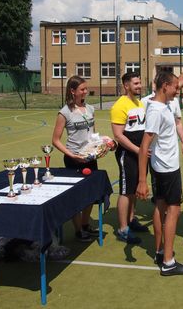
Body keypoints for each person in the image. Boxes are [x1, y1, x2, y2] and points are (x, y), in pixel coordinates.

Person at [137, 48, 183, 276]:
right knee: (173, 211)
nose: (179, 89)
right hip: (166, 168)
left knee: (160, 206)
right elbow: (145, 145)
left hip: (161, 166)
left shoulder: (160, 103)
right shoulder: (156, 110)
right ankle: (168, 261)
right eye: (175, 87)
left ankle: (159, 252)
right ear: (165, 86)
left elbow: (182, 80)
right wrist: (141, 181)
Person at [52, 76, 101, 242]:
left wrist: (101, 144)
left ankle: (86, 224)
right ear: (72, 91)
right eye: (82, 89)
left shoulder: (90, 109)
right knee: (76, 196)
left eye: (86, 89)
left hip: (90, 157)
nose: (85, 92)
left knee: (90, 194)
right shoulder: (65, 112)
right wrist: (71, 154)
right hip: (74, 159)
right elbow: (56, 140)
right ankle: (78, 229)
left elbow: (93, 133)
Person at [110, 72, 149, 244]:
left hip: (140, 153)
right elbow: (118, 135)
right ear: (126, 85)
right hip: (128, 154)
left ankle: (131, 220)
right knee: (126, 191)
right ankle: (123, 228)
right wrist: (137, 150)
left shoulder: (139, 103)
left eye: (140, 82)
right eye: (136, 83)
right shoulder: (119, 105)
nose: (139, 86)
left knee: (134, 189)